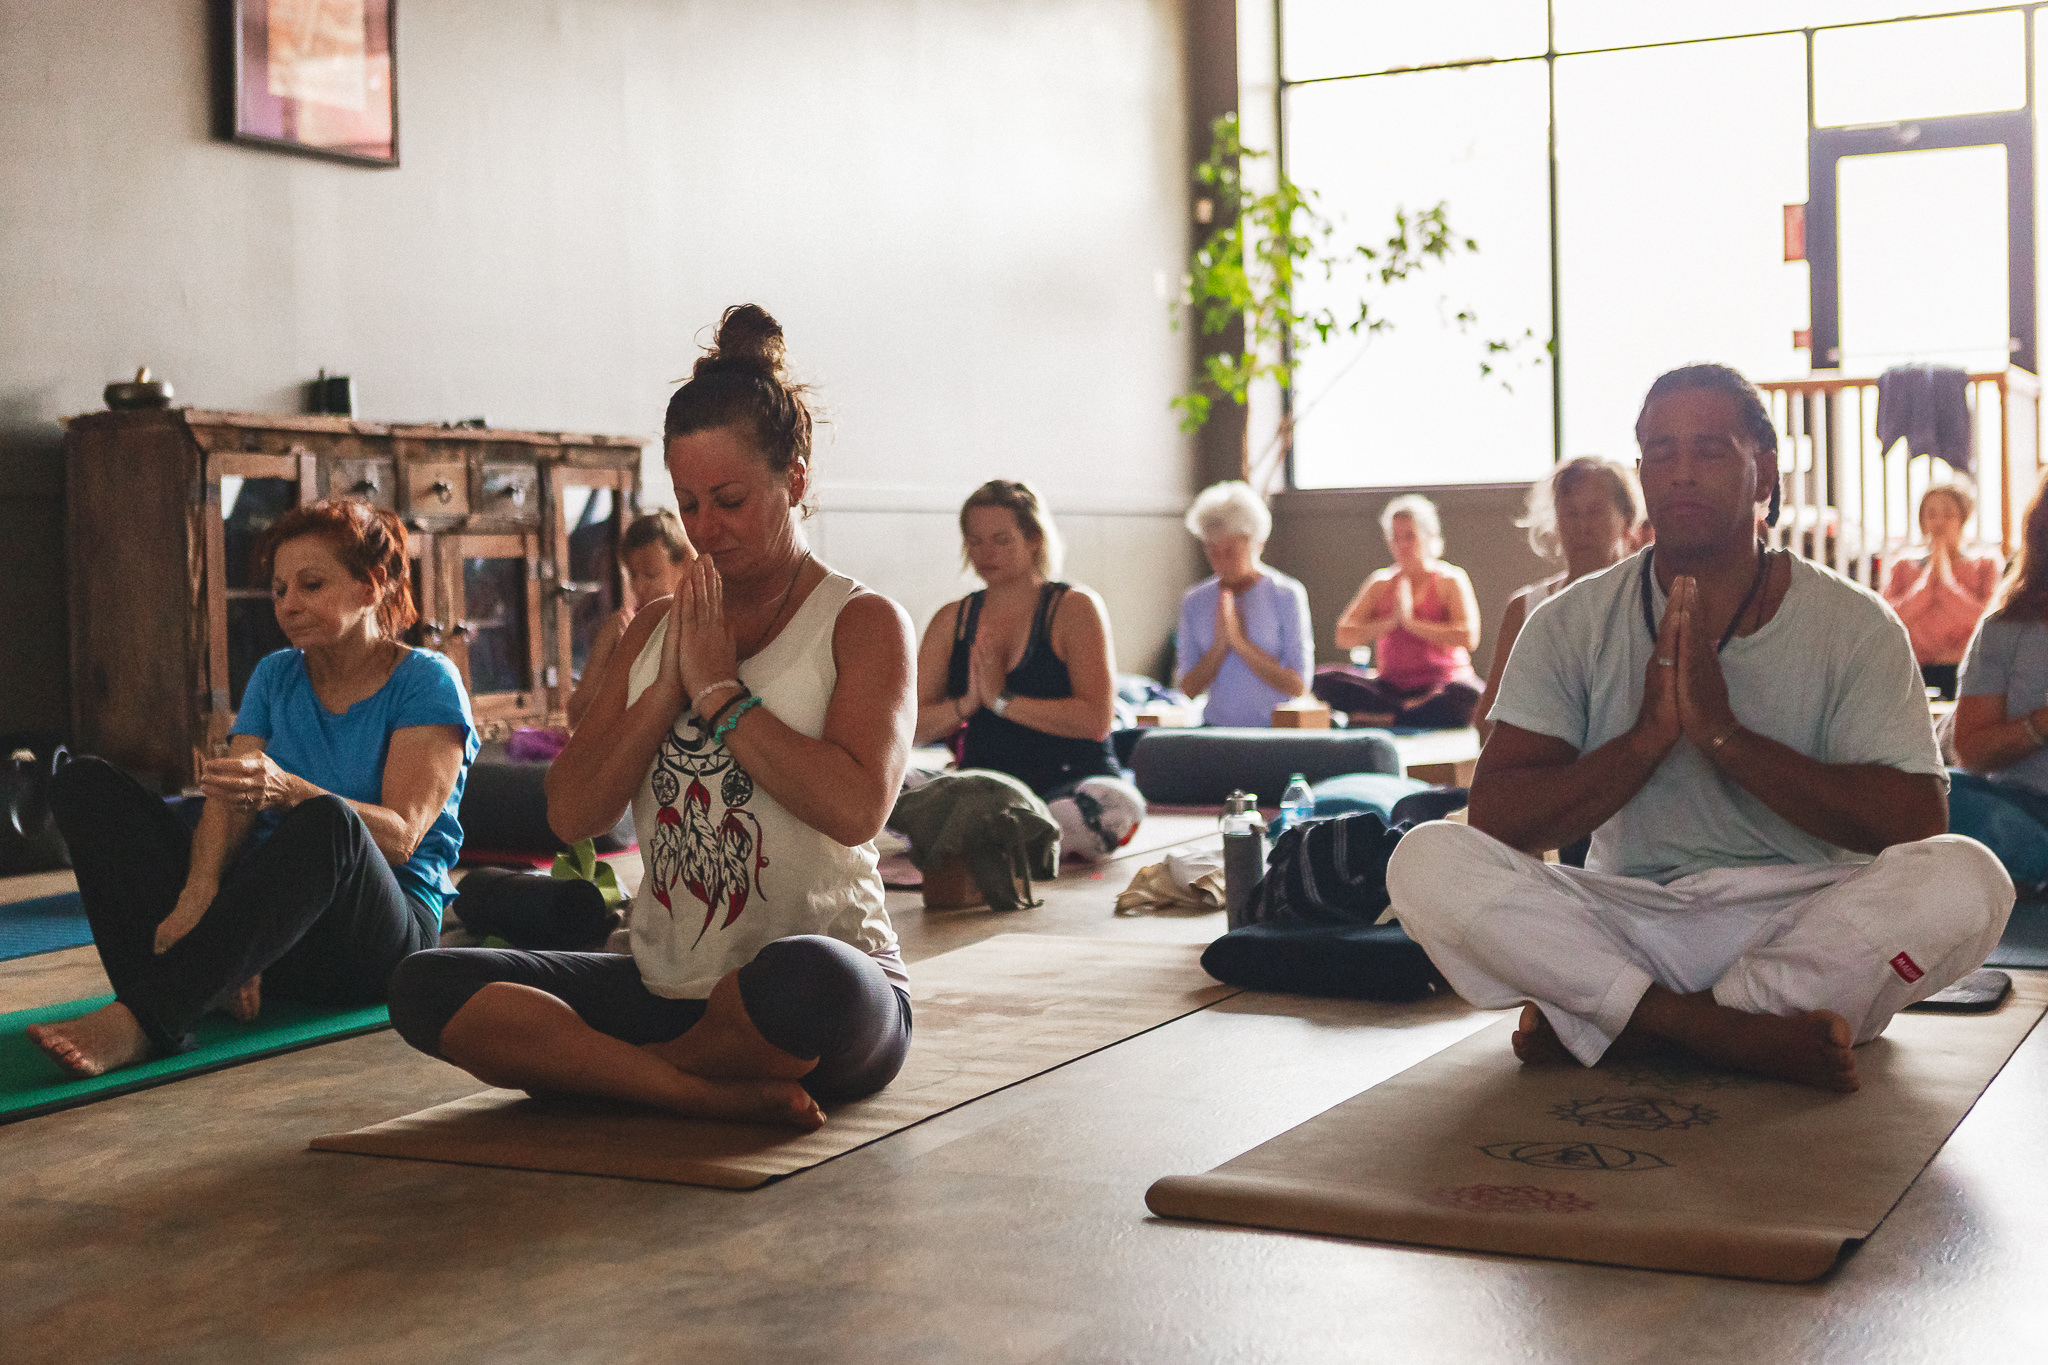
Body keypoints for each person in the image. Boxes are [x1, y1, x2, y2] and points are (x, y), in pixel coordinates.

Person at [1387, 363, 2011, 1093]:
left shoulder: (1855, 623)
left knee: (1973, 880)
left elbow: (1915, 821)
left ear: (1764, 472)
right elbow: (1496, 816)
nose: (1681, 473)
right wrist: (1645, 741)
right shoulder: (1567, 622)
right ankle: (1721, 1030)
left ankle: (1623, 1019)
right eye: (1660, 452)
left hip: (1802, 920)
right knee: (1422, 859)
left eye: (1710, 450)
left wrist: (1726, 739)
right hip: (1630, 918)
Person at [386, 305, 915, 1131]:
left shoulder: (862, 620)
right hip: (659, 983)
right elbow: (570, 812)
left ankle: (614, 1074)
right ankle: (690, 1087)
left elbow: (856, 809)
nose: (706, 528)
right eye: (690, 503)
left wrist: (721, 696)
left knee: (811, 983)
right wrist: (668, 686)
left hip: (813, 987)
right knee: (426, 986)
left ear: (796, 481)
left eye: (731, 500)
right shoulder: (658, 629)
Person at [29, 501, 477, 1077]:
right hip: (267, 930)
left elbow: (401, 838)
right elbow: (234, 795)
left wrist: (289, 788)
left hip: (377, 942)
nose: (289, 604)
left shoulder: (427, 681)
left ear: (373, 587)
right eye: (280, 589)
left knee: (328, 821)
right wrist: (200, 893)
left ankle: (146, 1020)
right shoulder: (276, 673)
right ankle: (192, 977)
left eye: (311, 585)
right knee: (83, 782)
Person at [913, 480, 1143, 862]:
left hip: (1072, 786)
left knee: (1117, 805)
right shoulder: (951, 619)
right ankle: (1012, 834)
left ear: (1034, 538)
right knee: (897, 787)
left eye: (1001, 539)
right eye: (975, 541)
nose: (986, 552)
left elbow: (1096, 721)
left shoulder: (1075, 607)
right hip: (988, 787)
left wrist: (1002, 701)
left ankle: (1011, 835)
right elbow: (912, 727)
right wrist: (968, 703)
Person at [1476, 457, 1644, 743]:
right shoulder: (1526, 607)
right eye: (1570, 513)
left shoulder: (1645, 600)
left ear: (1626, 521)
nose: (1582, 525)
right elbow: (1489, 721)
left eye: (1595, 512)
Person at [1948, 472, 2048, 889]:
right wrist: (2040, 724)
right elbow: (1969, 750)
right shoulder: (2006, 628)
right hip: (2025, 812)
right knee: (1936, 789)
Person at [1313, 494, 1483, 728]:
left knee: (1469, 696)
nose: (1402, 545)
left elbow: (1468, 637)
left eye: (1410, 536)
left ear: (1429, 536)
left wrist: (1412, 624)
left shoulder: (1450, 580)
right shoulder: (1381, 582)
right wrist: (1391, 622)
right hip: (1391, 689)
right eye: (1396, 538)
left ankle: (1388, 718)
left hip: (1440, 686)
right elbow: (1343, 635)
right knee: (1323, 681)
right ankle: (1405, 712)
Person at [1174, 480, 1313, 727]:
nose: (1219, 561)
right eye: (1212, 550)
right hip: (1216, 730)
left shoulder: (1286, 594)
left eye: (1230, 551)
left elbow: (1298, 685)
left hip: (1274, 733)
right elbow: (1189, 688)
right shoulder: (1195, 601)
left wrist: (1240, 642)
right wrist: (1219, 645)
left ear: (1256, 543)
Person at [565, 509, 693, 728]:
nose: (640, 587)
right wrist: (619, 660)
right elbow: (576, 717)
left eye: (652, 574)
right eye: (633, 575)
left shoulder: (701, 625)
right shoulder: (619, 627)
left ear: (685, 563)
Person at [1882, 481, 2000, 701]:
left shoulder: (1985, 565)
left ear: (1963, 519)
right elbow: (1891, 617)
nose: (1939, 522)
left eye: (1948, 514)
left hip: (1965, 666)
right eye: (1931, 514)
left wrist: (1945, 579)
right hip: (1913, 667)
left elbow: (1984, 617)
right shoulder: (1903, 566)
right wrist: (1928, 579)